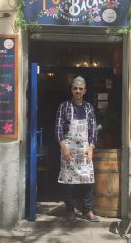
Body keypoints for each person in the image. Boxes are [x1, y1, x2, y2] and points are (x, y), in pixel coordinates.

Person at [55, 76, 99, 222]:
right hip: (69, 149)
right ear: (71, 90)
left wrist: (91, 148)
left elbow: (93, 130)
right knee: (69, 181)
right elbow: (58, 129)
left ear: (85, 91)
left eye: (80, 89)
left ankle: (87, 210)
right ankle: (70, 210)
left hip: (85, 149)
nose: (78, 91)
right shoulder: (64, 106)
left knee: (87, 181)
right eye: (75, 88)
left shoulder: (89, 108)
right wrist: (64, 148)